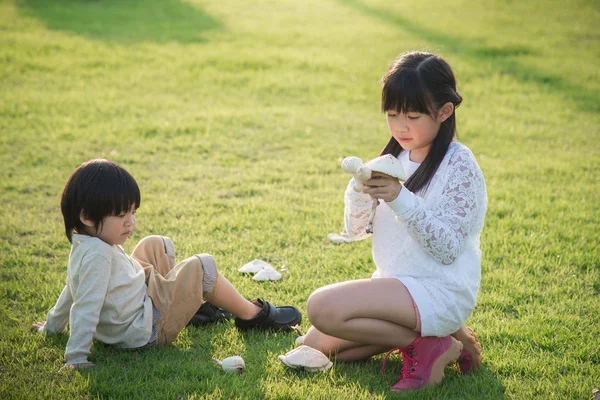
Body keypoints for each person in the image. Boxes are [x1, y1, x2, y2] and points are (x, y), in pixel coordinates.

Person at [304, 51, 487, 392]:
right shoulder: (393, 159)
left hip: (439, 288)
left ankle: (432, 345)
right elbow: (356, 231)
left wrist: (399, 198)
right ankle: (438, 337)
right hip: (396, 287)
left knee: (321, 308)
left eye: (413, 116)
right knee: (313, 346)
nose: (401, 127)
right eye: (392, 115)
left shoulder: (460, 165)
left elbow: (447, 249)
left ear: (444, 112)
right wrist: (359, 189)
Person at [31, 158, 301, 369]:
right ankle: (252, 315)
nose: (131, 222)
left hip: (139, 302)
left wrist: (50, 327)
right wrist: (76, 356)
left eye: (133, 212)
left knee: (155, 244)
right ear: (88, 216)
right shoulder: (99, 257)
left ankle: (191, 307)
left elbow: (72, 289)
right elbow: (85, 305)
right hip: (143, 331)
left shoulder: (85, 245)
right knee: (203, 265)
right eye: (122, 216)